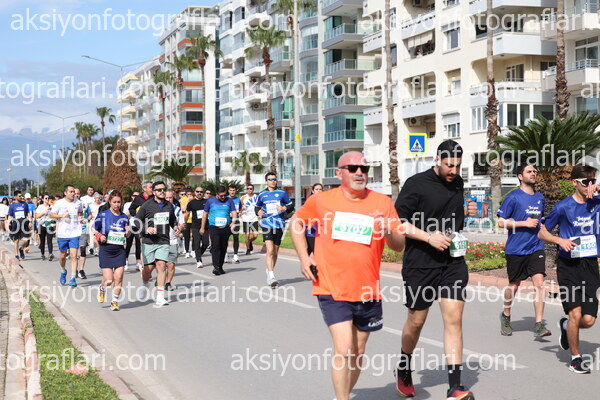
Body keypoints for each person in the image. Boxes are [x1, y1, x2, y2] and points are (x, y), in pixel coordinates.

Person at [290, 151, 405, 400]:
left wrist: (388, 230)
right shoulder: (322, 200)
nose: (359, 173)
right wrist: (304, 257)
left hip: (367, 289)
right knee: (344, 348)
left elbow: (399, 246)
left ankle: (342, 393)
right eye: (352, 168)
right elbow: (296, 222)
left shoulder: (382, 202)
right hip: (331, 287)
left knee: (358, 351)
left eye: (364, 168)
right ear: (339, 173)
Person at [393, 140, 477, 399]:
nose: (454, 171)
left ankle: (455, 386)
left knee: (453, 319)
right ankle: (404, 367)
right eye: (449, 165)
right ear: (437, 160)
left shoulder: (458, 183)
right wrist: (429, 237)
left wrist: (465, 212)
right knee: (416, 321)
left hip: (452, 262)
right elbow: (397, 223)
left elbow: (449, 219)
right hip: (421, 263)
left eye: (458, 166)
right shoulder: (416, 184)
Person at [538, 164, 600, 374]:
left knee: (588, 320)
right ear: (574, 182)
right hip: (568, 266)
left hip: (590, 265)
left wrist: (598, 188)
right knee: (575, 314)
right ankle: (576, 359)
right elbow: (542, 232)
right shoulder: (563, 207)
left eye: (592, 181)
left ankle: (565, 326)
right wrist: (559, 240)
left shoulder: (597, 202)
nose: (589, 185)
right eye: (585, 182)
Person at [497, 163, 551, 337]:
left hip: (536, 247)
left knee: (540, 284)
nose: (533, 173)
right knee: (514, 286)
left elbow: (540, 219)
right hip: (516, 249)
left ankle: (539, 324)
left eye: (534, 171)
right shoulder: (512, 197)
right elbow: (501, 222)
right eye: (529, 171)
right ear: (520, 176)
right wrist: (524, 223)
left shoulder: (540, 198)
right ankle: (506, 315)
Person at [134, 181, 177, 307]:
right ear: (153, 192)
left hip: (163, 240)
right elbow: (136, 221)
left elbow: (172, 220)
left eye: (163, 189)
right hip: (149, 241)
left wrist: (175, 226)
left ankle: (160, 297)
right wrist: (146, 229)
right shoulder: (146, 205)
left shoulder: (169, 205)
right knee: (148, 269)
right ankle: (145, 283)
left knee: (161, 265)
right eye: (159, 190)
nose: (162, 191)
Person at [255, 172, 294, 287]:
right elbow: (257, 206)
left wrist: (284, 208)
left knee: (275, 252)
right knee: (270, 250)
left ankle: (269, 270)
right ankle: (271, 276)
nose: (272, 181)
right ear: (266, 181)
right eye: (270, 179)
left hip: (279, 224)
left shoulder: (282, 193)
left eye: (274, 179)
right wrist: (258, 212)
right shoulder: (262, 194)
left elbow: (291, 206)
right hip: (267, 224)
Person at [94, 190, 130, 311]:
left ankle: (114, 301)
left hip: (119, 250)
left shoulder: (124, 217)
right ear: (109, 202)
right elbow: (94, 229)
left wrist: (128, 231)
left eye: (119, 202)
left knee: (118, 277)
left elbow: (127, 235)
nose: (116, 204)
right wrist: (99, 236)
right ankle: (102, 288)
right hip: (106, 250)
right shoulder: (103, 215)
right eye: (114, 202)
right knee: (109, 280)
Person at [49, 184, 84, 287]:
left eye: (74, 192)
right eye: (71, 192)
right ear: (65, 193)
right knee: (63, 255)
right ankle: (63, 270)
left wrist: (80, 218)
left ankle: (73, 278)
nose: (73, 194)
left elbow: (80, 212)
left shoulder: (78, 202)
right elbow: (51, 215)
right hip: (63, 233)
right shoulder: (59, 203)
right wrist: (61, 215)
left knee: (74, 255)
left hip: (75, 232)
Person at [201, 185, 237, 276]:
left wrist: (233, 222)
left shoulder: (229, 200)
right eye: (221, 196)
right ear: (217, 194)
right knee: (216, 245)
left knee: (223, 247)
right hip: (214, 227)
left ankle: (220, 266)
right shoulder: (210, 201)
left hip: (225, 227)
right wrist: (202, 227)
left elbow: (234, 212)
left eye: (224, 195)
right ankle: (216, 267)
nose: (223, 197)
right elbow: (205, 214)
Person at [184, 187, 210, 268]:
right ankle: (199, 260)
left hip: (205, 226)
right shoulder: (191, 203)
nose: (199, 193)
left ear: (203, 193)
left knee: (206, 243)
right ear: (195, 192)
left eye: (201, 192)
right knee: (197, 243)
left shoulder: (207, 202)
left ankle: (198, 254)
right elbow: (187, 213)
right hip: (195, 226)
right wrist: (184, 223)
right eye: (197, 191)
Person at [165, 190, 185, 290]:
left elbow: (182, 223)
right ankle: (161, 278)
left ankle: (168, 283)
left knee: (171, 264)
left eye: (170, 198)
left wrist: (179, 230)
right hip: (161, 241)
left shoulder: (177, 210)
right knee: (161, 265)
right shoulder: (158, 209)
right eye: (167, 198)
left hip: (173, 240)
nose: (169, 200)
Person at [7, 191, 31, 260]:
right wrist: (8, 225)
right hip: (16, 224)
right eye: (19, 196)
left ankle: (21, 249)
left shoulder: (25, 204)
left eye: (21, 196)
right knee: (16, 240)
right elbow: (10, 216)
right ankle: (16, 255)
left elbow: (28, 213)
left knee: (26, 240)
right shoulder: (12, 205)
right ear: (15, 197)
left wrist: (30, 221)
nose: (21, 197)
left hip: (24, 223)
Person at [124, 192, 143, 270]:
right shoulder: (127, 204)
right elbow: (125, 215)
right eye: (134, 195)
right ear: (131, 196)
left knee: (138, 245)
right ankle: (125, 261)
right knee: (128, 244)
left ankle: (138, 263)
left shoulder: (142, 203)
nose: (135, 197)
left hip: (138, 226)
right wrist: (132, 212)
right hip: (130, 225)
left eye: (137, 196)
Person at [240, 184, 259, 255]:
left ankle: (249, 241)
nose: (249, 190)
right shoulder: (243, 198)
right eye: (248, 188)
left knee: (255, 235)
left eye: (251, 189)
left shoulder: (257, 197)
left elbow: (260, 206)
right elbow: (239, 208)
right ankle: (248, 249)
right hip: (246, 218)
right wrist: (242, 210)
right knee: (247, 235)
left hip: (254, 218)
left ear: (253, 190)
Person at [305, 183, 323, 255]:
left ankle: (305, 260)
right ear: (313, 191)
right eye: (316, 189)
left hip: (321, 230)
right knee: (316, 252)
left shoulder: (324, 201)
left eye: (320, 189)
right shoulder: (310, 201)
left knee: (310, 250)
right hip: (311, 230)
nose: (319, 191)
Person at [35, 194, 54, 261]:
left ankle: (50, 254)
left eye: (48, 198)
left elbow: (54, 215)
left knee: (50, 240)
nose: (47, 199)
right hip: (41, 225)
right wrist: (43, 213)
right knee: (42, 241)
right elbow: (36, 216)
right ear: (43, 199)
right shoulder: (40, 207)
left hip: (49, 224)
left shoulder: (51, 206)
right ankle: (42, 254)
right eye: (46, 198)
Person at [227, 185, 241, 263]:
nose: (232, 192)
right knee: (225, 238)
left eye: (234, 190)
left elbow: (240, 208)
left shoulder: (238, 199)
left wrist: (240, 212)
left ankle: (235, 255)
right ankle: (225, 254)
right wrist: (229, 213)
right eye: (231, 190)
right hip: (227, 221)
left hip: (236, 221)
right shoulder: (225, 199)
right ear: (228, 191)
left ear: (236, 191)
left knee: (236, 237)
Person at [180, 187, 194, 258]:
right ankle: (187, 251)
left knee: (195, 236)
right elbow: (183, 209)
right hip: (186, 220)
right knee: (186, 236)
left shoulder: (194, 199)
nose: (190, 196)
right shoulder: (183, 199)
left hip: (194, 220)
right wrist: (188, 201)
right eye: (188, 194)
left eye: (191, 194)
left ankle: (193, 250)